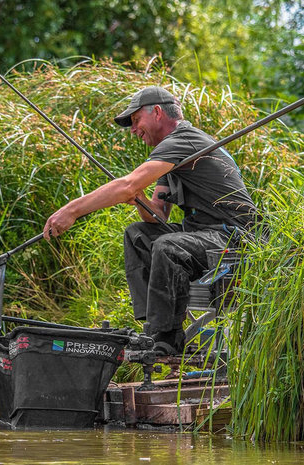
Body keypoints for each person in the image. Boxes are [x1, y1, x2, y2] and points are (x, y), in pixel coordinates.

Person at [43, 86, 259, 354]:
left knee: (168, 247)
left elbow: (126, 185)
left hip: (234, 237)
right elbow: (157, 214)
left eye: (135, 121)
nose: (133, 130)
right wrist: (139, 198)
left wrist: (72, 210)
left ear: (157, 112)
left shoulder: (184, 139)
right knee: (139, 235)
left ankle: (165, 338)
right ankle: (154, 329)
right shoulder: (171, 153)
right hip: (204, 233)